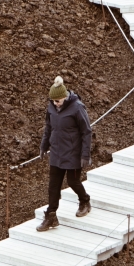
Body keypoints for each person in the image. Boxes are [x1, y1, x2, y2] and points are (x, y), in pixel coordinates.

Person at [37, 75, 92, 230]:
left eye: (58, 101)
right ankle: (51, 216)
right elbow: (48, 128)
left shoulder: (77, 107)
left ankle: (85, 201)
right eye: (53, 101)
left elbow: (86, 131)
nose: (56, 104)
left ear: (65, 97)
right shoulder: (51, 107)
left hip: (73, 153)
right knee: (53, 186)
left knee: (73, 181)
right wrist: (43, 146)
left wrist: (85, 155)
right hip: (56, 152)